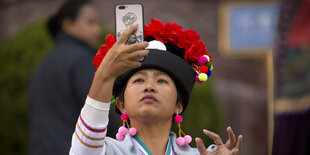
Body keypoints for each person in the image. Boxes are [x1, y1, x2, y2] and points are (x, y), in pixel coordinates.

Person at [70, 19, 243, 154]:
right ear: (121, 105)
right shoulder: (103, 151)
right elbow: (88, 139)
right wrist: (105, 75)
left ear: (179, 104)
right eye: (138, 80)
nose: (149, 87)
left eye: (162, 81)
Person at [29, 0, 118, 154]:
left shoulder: (43, 65)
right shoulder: (81, 60)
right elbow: (98, 111)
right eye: (90, 22)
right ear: (68, 24)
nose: (97, 29)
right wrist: (122, 142)